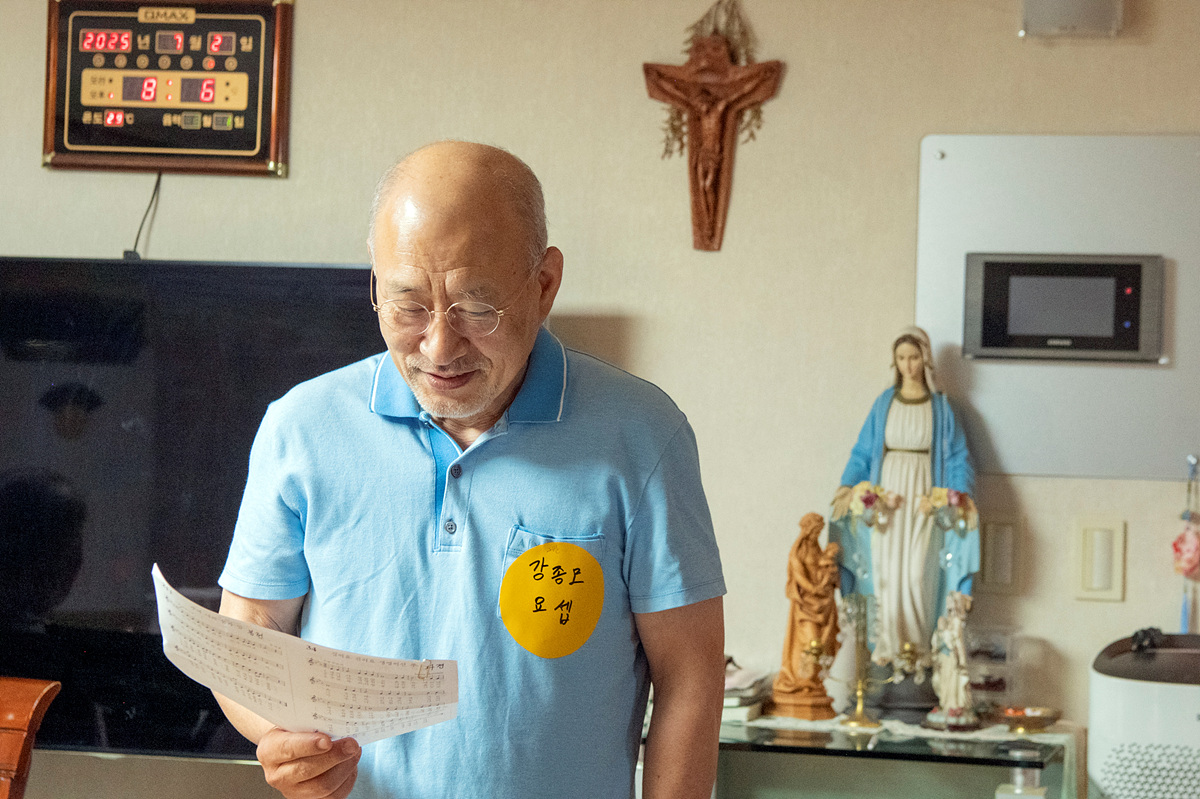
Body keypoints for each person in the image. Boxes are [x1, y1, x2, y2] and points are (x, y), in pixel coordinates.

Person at [214, 141, 726, 799]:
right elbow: (248, 634)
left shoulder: (642, 436)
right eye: (408, 305)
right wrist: (278, 738)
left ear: (545, 284)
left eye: (476, 309)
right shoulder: (302, 428)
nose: (439, 347)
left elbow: (689, 676)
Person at [829, 326, 978, 675]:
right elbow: (863, 452)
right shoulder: (884, 403)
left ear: (925, 360)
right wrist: (849, 487)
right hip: (889, 500)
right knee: (886, 574)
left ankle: (920, 653)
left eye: (913, 358)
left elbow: (957, 457)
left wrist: (957, 495)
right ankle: (887, 651)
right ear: (894, 362)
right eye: (901, 358)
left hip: (923, 498)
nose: (908, 365)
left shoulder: (941, 408)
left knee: (916, 575)